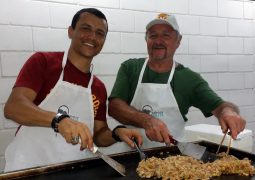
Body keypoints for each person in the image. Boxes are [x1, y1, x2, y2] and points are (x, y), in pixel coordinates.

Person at [3, 8, 142, 172]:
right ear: (71, 31)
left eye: (100, 33)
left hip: (73, 171)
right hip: (29, 168)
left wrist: (117, 133)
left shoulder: (97, 87)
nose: (92, 37)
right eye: (86, 29)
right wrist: (59, 120)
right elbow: (13, 107)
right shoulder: (44, 62)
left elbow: (98, 134)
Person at [108, 13, 246, 149]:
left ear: (178, 41)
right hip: (132, 156)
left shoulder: (189, 79)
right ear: (146, 40)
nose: (158, 41)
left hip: (174, 159)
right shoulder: (131, 68)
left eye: (166, 35)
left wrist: (228, 112)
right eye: (153, 35)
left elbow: (220, 107)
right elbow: (114, 107)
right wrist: (147, 120)